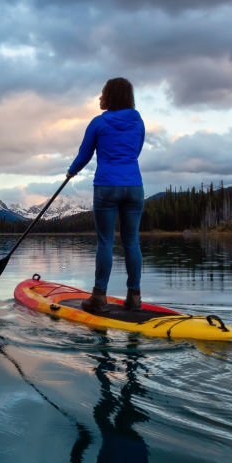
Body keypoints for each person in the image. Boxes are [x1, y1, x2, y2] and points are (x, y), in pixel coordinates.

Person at [67, 77, 145, 313]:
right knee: (132, 241)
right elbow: (136, 150)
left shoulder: (98, 123)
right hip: (134, 186)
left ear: (110, 97)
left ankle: (99, 297)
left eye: (102, 94)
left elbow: (84, 155)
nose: (100, 98)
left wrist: (71, 172)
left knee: (106, 242)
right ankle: (134, 297)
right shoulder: (138, 122)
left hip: (107, 187)